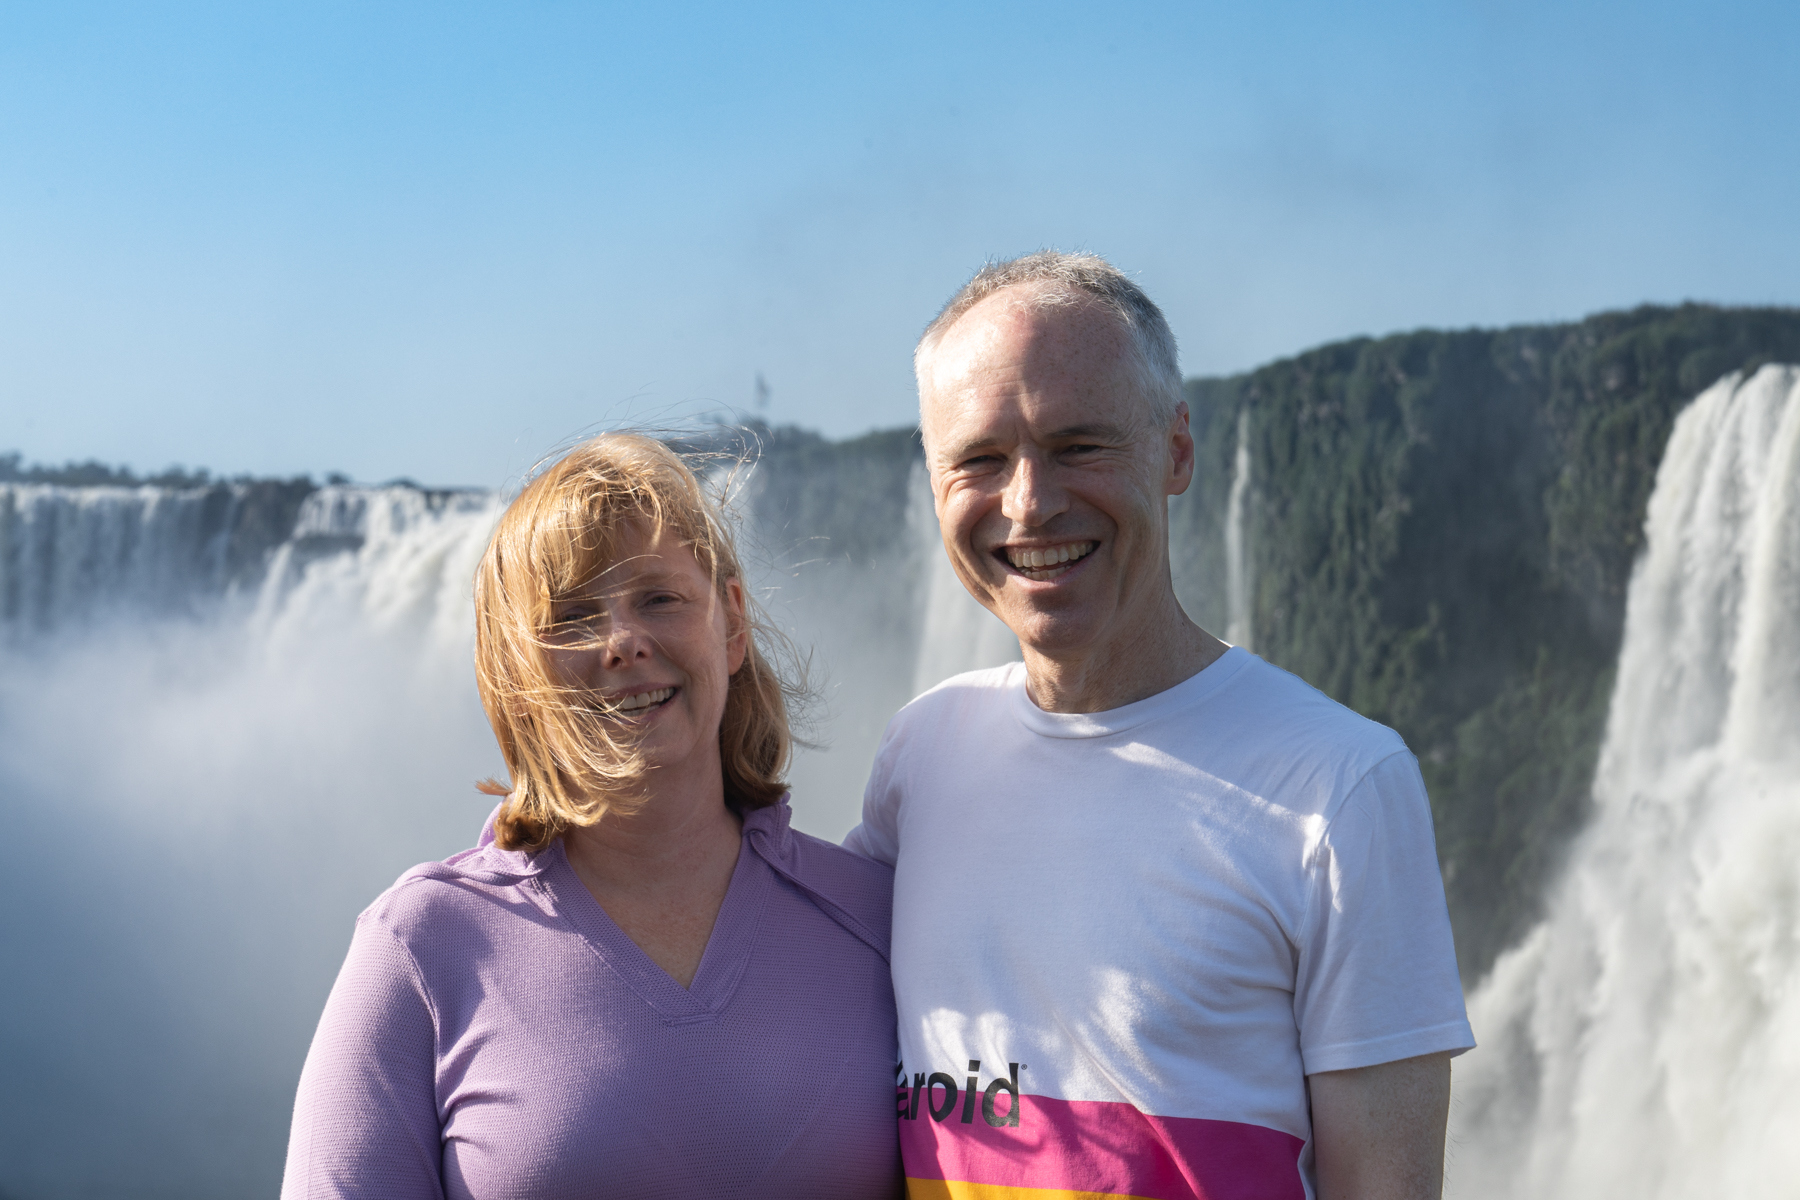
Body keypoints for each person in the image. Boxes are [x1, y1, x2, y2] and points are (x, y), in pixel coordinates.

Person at [845, 252, 1474, 1200]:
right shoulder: (921, 755)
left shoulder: (1340, 787)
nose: (1029, 503)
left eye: (1078, 444)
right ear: (933, 482)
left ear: (1177, 450)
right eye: (979, 458)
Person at [283, 435, 902, 1199]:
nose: (623, 642)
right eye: (573, 618)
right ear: (516, 675)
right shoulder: (421, 948)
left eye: (659, 598)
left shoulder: (880, 923)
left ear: (732, 623)